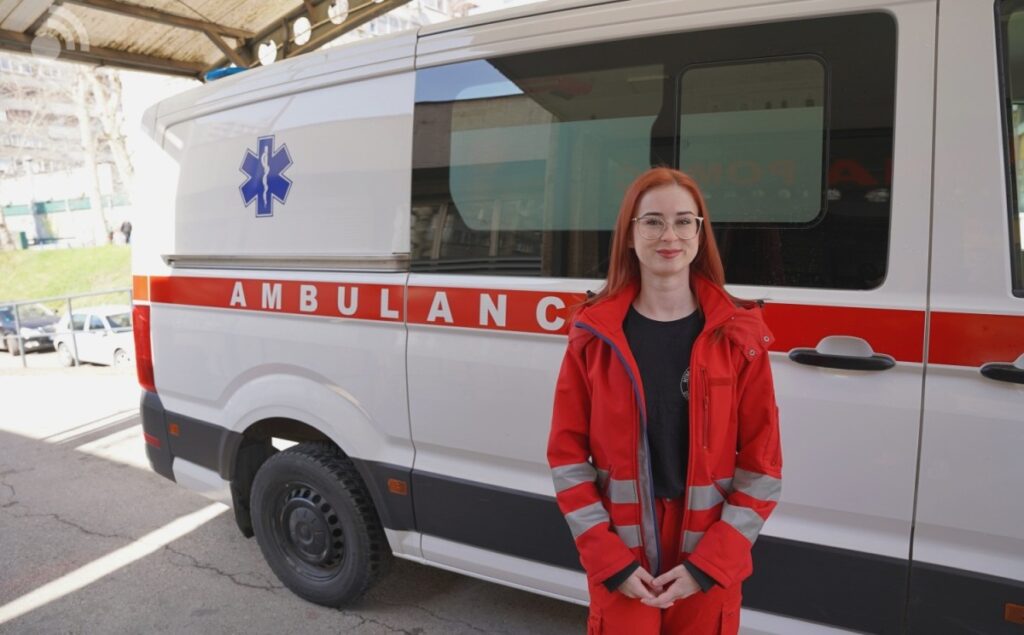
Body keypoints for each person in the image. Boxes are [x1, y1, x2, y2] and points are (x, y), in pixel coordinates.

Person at [547, 167, 783, 634]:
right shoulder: (593, 336)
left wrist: (709, 565)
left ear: (700, 233)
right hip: (624, 560)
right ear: (629, 235)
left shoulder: (739, 337)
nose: (669, 235)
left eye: (683, 221)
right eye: (652, 221)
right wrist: (610, 561)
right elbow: (567, 459)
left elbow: (762, 468)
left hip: (707, 562)